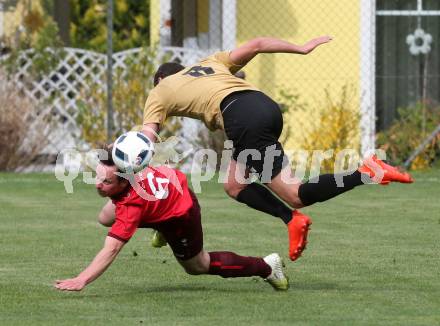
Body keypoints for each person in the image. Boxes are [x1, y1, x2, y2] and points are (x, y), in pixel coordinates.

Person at [139, 36, 414, 262]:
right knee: (234, 184)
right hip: (263, 106)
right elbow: (257, 44)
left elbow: (148, 133)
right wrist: (301, 48)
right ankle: (291, 219)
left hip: (242, 119)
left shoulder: (160, 90)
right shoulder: (210, 63)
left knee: (294, 194)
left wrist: (132, 157)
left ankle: (367, 172)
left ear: (161, 79)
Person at [54, 148, 288, 292]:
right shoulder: (127, 158)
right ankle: (160, 227)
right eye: (97, 176)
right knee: (105, 217)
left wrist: (82, 279)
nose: (97, 184)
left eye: (105, 182)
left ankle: (267, 266)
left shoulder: (131, 206)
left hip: (180, 215)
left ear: (125, 182)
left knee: (197, 266)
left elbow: (112, 248)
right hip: (169, 187)